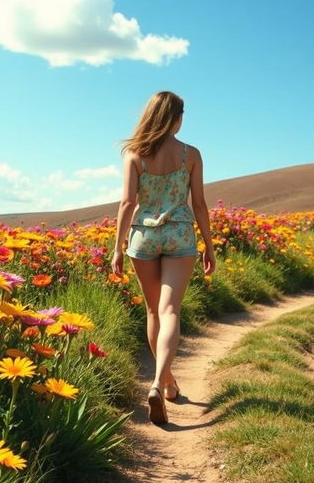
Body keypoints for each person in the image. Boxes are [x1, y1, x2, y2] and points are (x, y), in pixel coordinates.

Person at [111, 91, 216, 425]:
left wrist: (117, 247)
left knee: (153, 311)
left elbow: (127, 203)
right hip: (180, 235)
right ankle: (161, 382)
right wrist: (209, 246)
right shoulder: (191, 154)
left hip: (143, 237)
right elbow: (199, 204)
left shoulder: (134, 154)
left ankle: (166, 383)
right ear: (177, 117)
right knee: (170, 310)